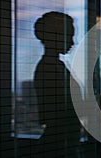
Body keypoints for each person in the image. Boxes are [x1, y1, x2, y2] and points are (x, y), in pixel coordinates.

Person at [34, 11, 81, 158]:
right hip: (59, 145)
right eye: (69, 36)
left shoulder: (56, 66)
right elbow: (71, 110)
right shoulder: (49, 67)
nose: (73, 42)